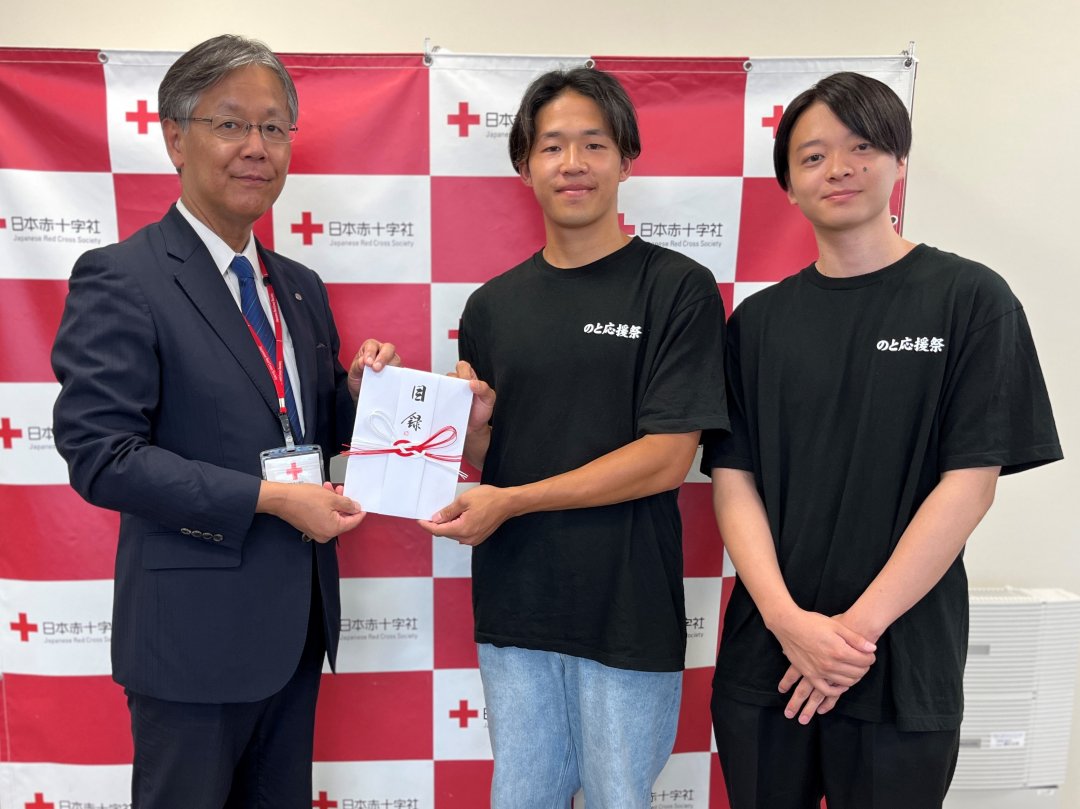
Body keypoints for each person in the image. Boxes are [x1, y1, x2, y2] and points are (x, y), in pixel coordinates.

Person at [50, 34, 398, 808]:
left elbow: (308, 425)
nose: (256, 147)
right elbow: (101, 455)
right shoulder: (123, 277)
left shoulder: (299, 286)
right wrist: (269, 499)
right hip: (190, 643)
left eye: (274, 127)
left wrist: (360, 392)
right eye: (231, 123)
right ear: (176, 138)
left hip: (296, 627)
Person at [702, 71, 1062, 809]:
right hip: (769, 657)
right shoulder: (757, 325)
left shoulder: (971, 299)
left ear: (899, 159)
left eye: (862, 146)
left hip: (902, 661)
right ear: (788, 187)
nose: (839, 168)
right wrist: (789, 625)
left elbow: (971, 484)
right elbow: (733, 480)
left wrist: (847, 641)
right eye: (813, 156)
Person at [420, 67, 728, 808]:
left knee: (622, 796)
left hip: (627, 604)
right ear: (524, 165)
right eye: (552, 146)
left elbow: (666, 458)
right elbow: (498, 462)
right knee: (521, 796)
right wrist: (477, 431)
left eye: (594, 143)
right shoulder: (491, 306)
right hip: (518, 603)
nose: (573, 163)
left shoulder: (676, 288)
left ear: (626, 159)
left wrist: (513, 499)